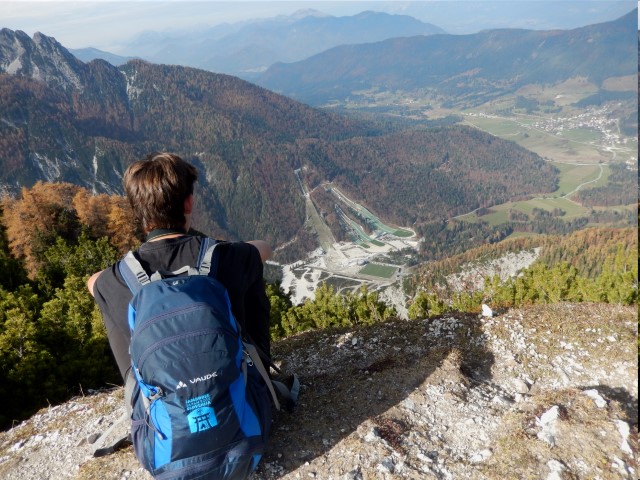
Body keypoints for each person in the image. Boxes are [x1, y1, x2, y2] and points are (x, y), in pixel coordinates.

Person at [87, 151, 273, 383]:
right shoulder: (227, 257)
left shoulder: (118, 279)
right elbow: (264, 248)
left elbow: (92, 282)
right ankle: (260, 373)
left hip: (164, 404)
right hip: (237, 398)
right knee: (251, 269)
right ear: (188, 203)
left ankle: (137, 387)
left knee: (107, 299)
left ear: (137, 210)